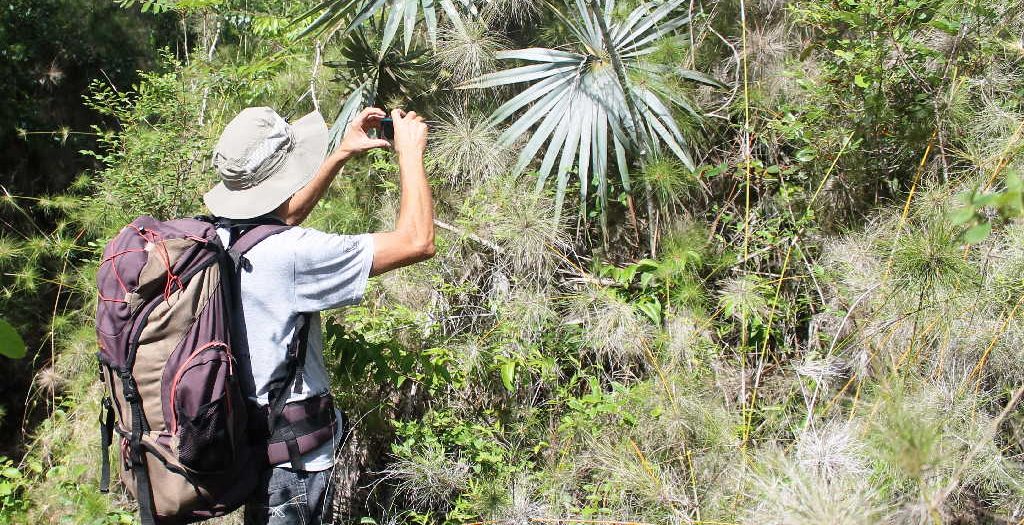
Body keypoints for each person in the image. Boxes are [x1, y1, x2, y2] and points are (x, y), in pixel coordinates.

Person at [201, 106, 434, 524]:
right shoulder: (292, 254)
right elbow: (416, 241)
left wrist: (340, 154)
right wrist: (411, 153)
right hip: (295, 467)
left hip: (248, 445)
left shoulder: (220, 236)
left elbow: (277, 219)